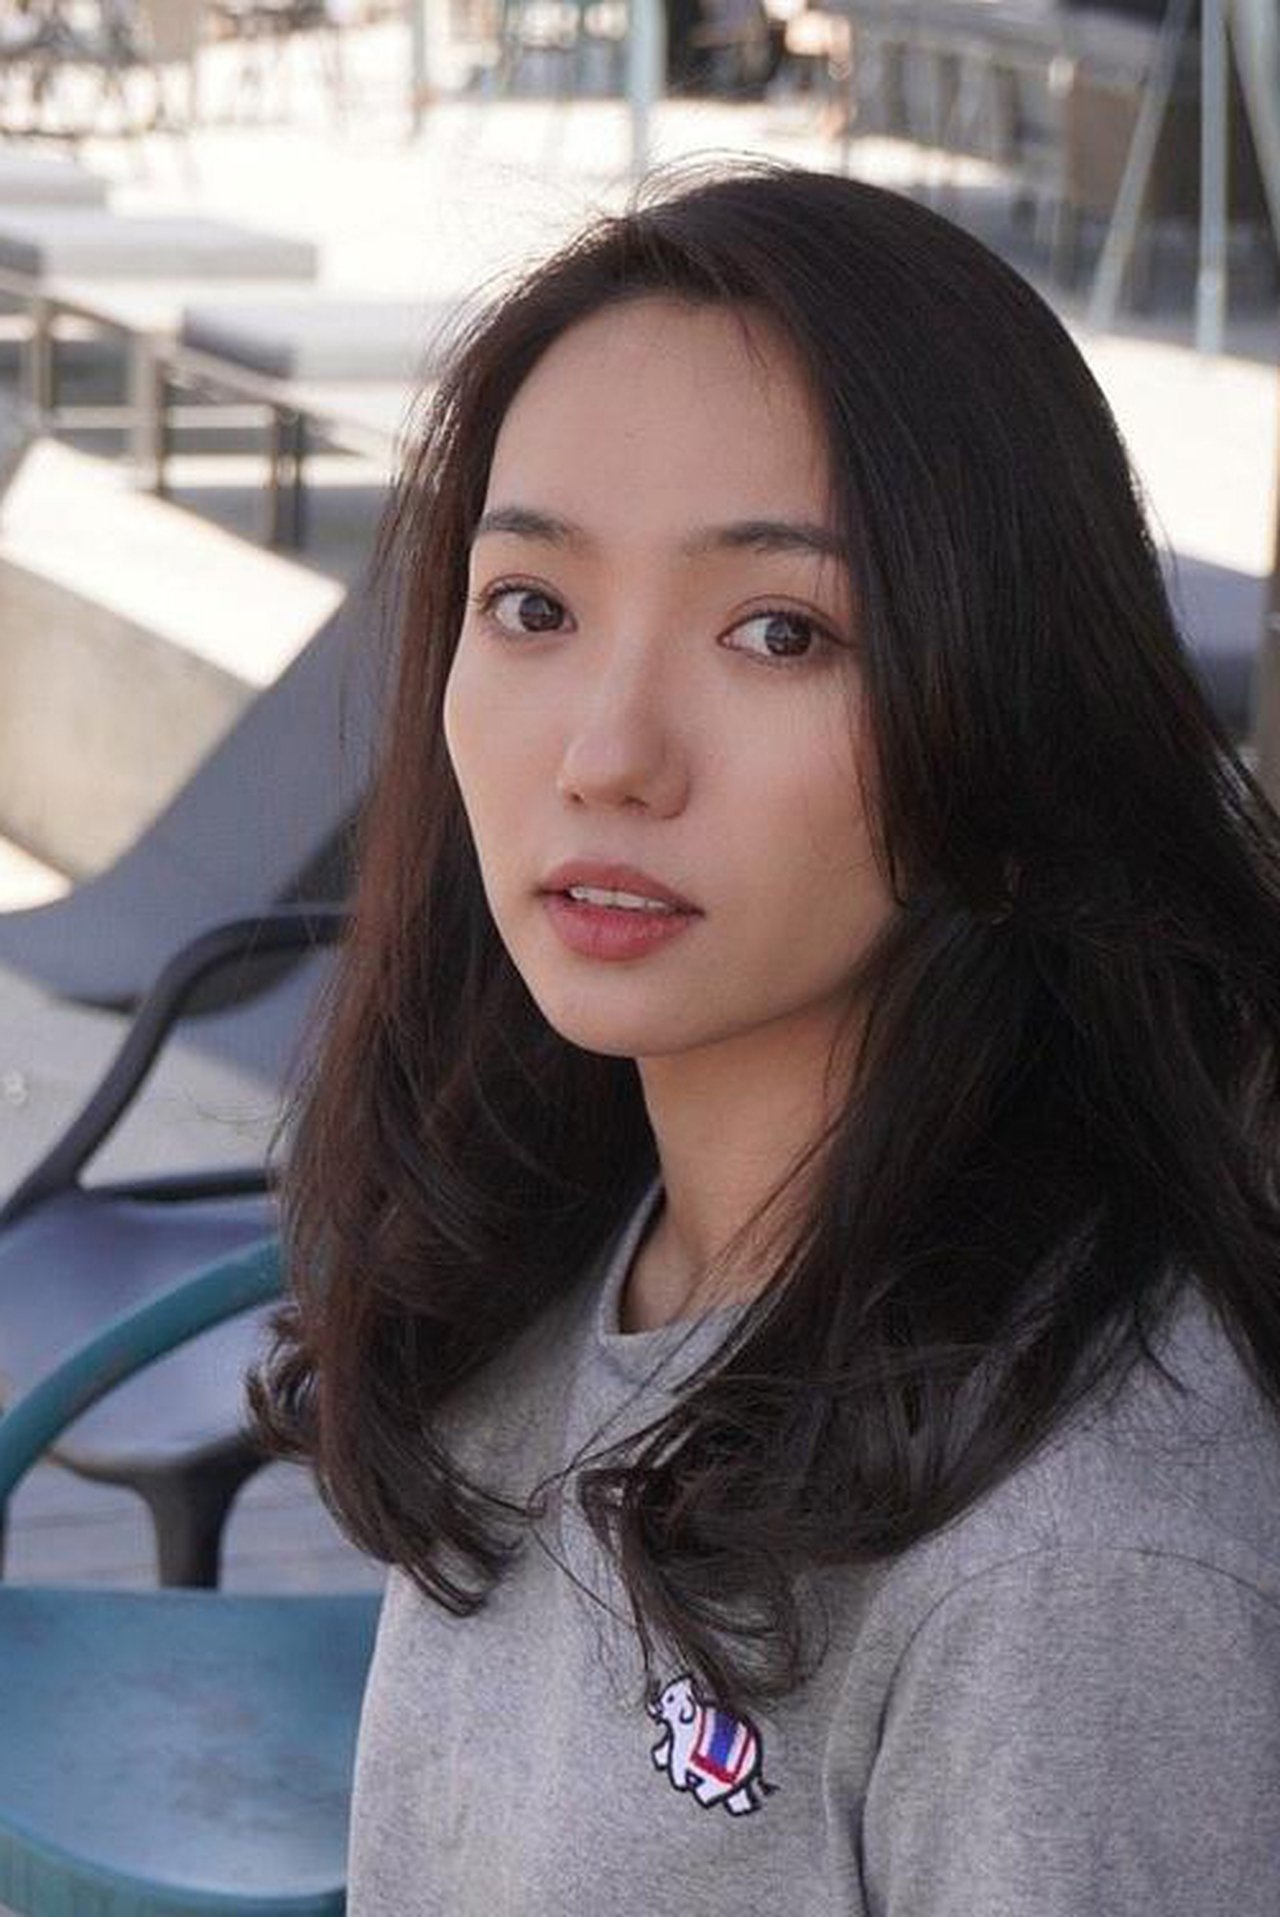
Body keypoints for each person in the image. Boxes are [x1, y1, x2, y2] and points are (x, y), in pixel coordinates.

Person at [248, 162, 1280, 1914]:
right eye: (534, 606)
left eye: (779, 632)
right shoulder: (559, 1246)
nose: (609, 754)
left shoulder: (1075, 1560)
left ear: (1006, 713)